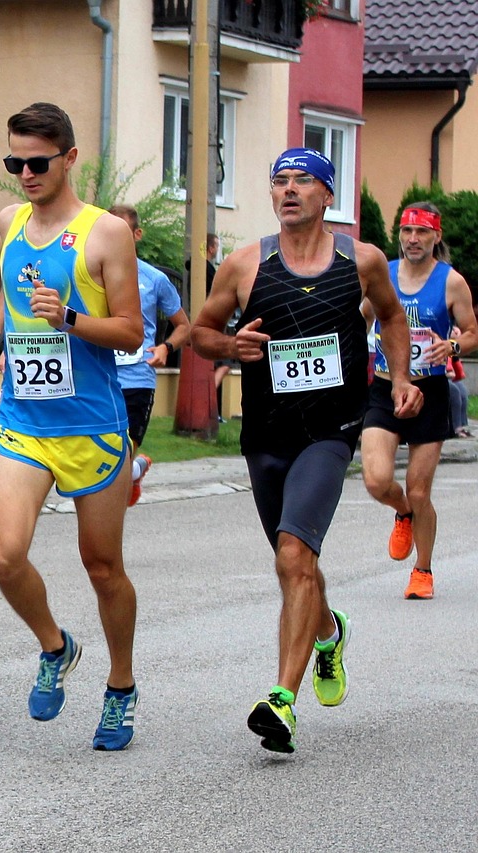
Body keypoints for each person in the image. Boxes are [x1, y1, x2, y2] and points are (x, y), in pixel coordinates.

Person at [192, 147, 423, 754]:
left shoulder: (361, 260)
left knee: (295, 555)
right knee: (294, 565)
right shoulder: (246, 264)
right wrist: (228, 346)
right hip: (265, 433)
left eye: (303, 182)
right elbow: (199, 330)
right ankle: (327, 632)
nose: (289, 191)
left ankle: (282, 700)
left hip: (331, 429)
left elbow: (394, 319)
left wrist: (400, 379)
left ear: (327, 196)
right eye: (279, 182)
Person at [0, 103, 144, 750]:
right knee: (6, 554)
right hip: (23, 421)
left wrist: (69, 318)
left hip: (92, 426)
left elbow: (131, 331)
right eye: (14, 162)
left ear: (69, 159)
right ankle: (56, 644)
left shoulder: (104, 235)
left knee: (102, 567)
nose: (24, 174)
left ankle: (121, 685)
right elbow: (10, 306)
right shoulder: (11, 221)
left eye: (37, 163)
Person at [359, 203, 477, 601]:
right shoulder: (382, 274)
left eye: (422, 232)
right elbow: (361, 318)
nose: (413, 239)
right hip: (384, 387)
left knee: (421, 489)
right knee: (376, 479)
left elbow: (473, 332)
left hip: (429, 392)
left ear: (436, 237)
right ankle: (403, 512)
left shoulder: (451, 282)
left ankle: (422, 570)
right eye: (407, 231)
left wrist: (455, 344)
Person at [108, 203, 191, 505]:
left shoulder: (154, 279)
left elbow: (183, 326)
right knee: (101, 462)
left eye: (121, 232)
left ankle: (130, 471)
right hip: (99, 377)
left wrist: (166, 347)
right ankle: (134, 470)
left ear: (137, 234)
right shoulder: (89, 274)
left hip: (136, 378)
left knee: (118, 461)